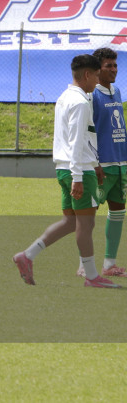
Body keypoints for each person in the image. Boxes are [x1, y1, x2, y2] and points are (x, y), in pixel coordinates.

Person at [13, 54, 121, 289]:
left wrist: (93, 164)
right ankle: (92, 276)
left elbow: (77, 140)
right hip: (77, 170)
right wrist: (80, 176)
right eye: (95, 76)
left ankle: (27, 255)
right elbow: (76, 141)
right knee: (86, 224)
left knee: (70, 222)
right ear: (87, 75)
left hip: (65, 168)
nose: (97, 82)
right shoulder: (81, 102)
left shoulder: (64, 97)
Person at [75, 47, 127, 278]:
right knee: (89, 213)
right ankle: (83, 265)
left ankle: (109, 264)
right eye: (109, 66)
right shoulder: (90, 95)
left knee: (118, 211)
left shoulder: (116, 92)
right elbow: (86, 132)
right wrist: (92, 161)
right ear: (97, 69)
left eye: (115, 65)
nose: (114, 70)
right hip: (101, 164)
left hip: (120, 163)